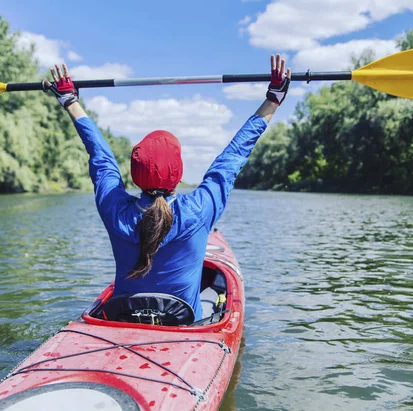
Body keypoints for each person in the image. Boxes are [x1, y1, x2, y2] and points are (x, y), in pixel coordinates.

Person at [43, 55, 291, 322]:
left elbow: (100, 157)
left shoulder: (114, 210)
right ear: (178, 174)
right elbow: (232, 157)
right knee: (212, 294)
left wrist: (70, 101)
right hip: (183, 322)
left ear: (136, 175)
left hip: (124, 317)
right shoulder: (200, 209)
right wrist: (274, 98)